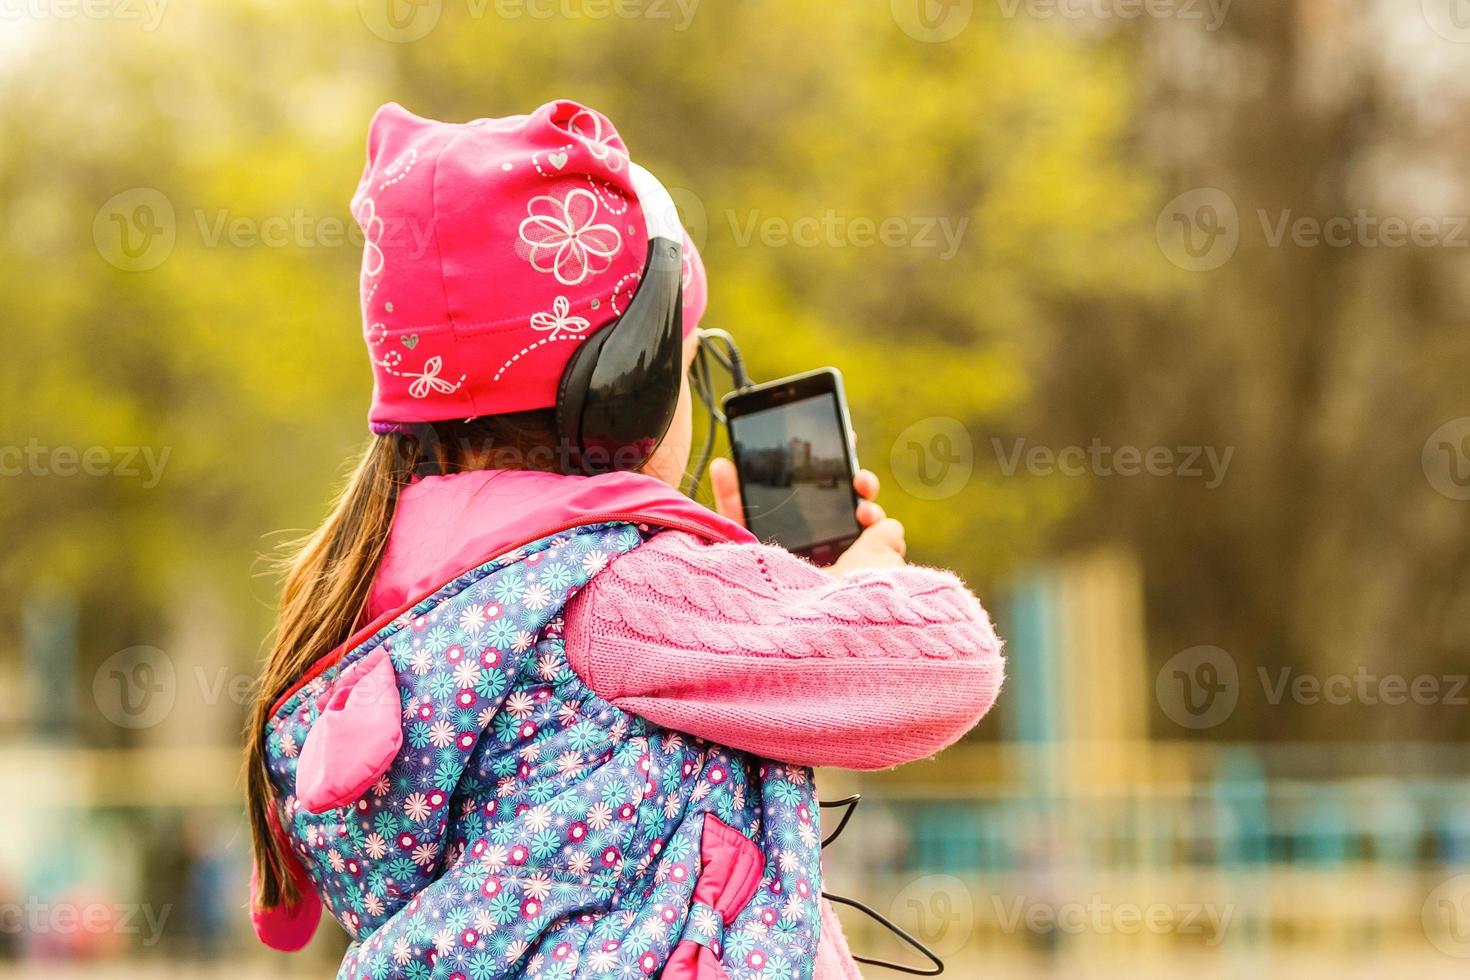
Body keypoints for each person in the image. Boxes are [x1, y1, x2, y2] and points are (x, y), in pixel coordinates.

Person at [243, 99, 1004, 980]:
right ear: (627, 387)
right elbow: (946, 664)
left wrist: (768, 587)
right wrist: (859, 584)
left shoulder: (396, 594)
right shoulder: (618, 592)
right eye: (685, 366)